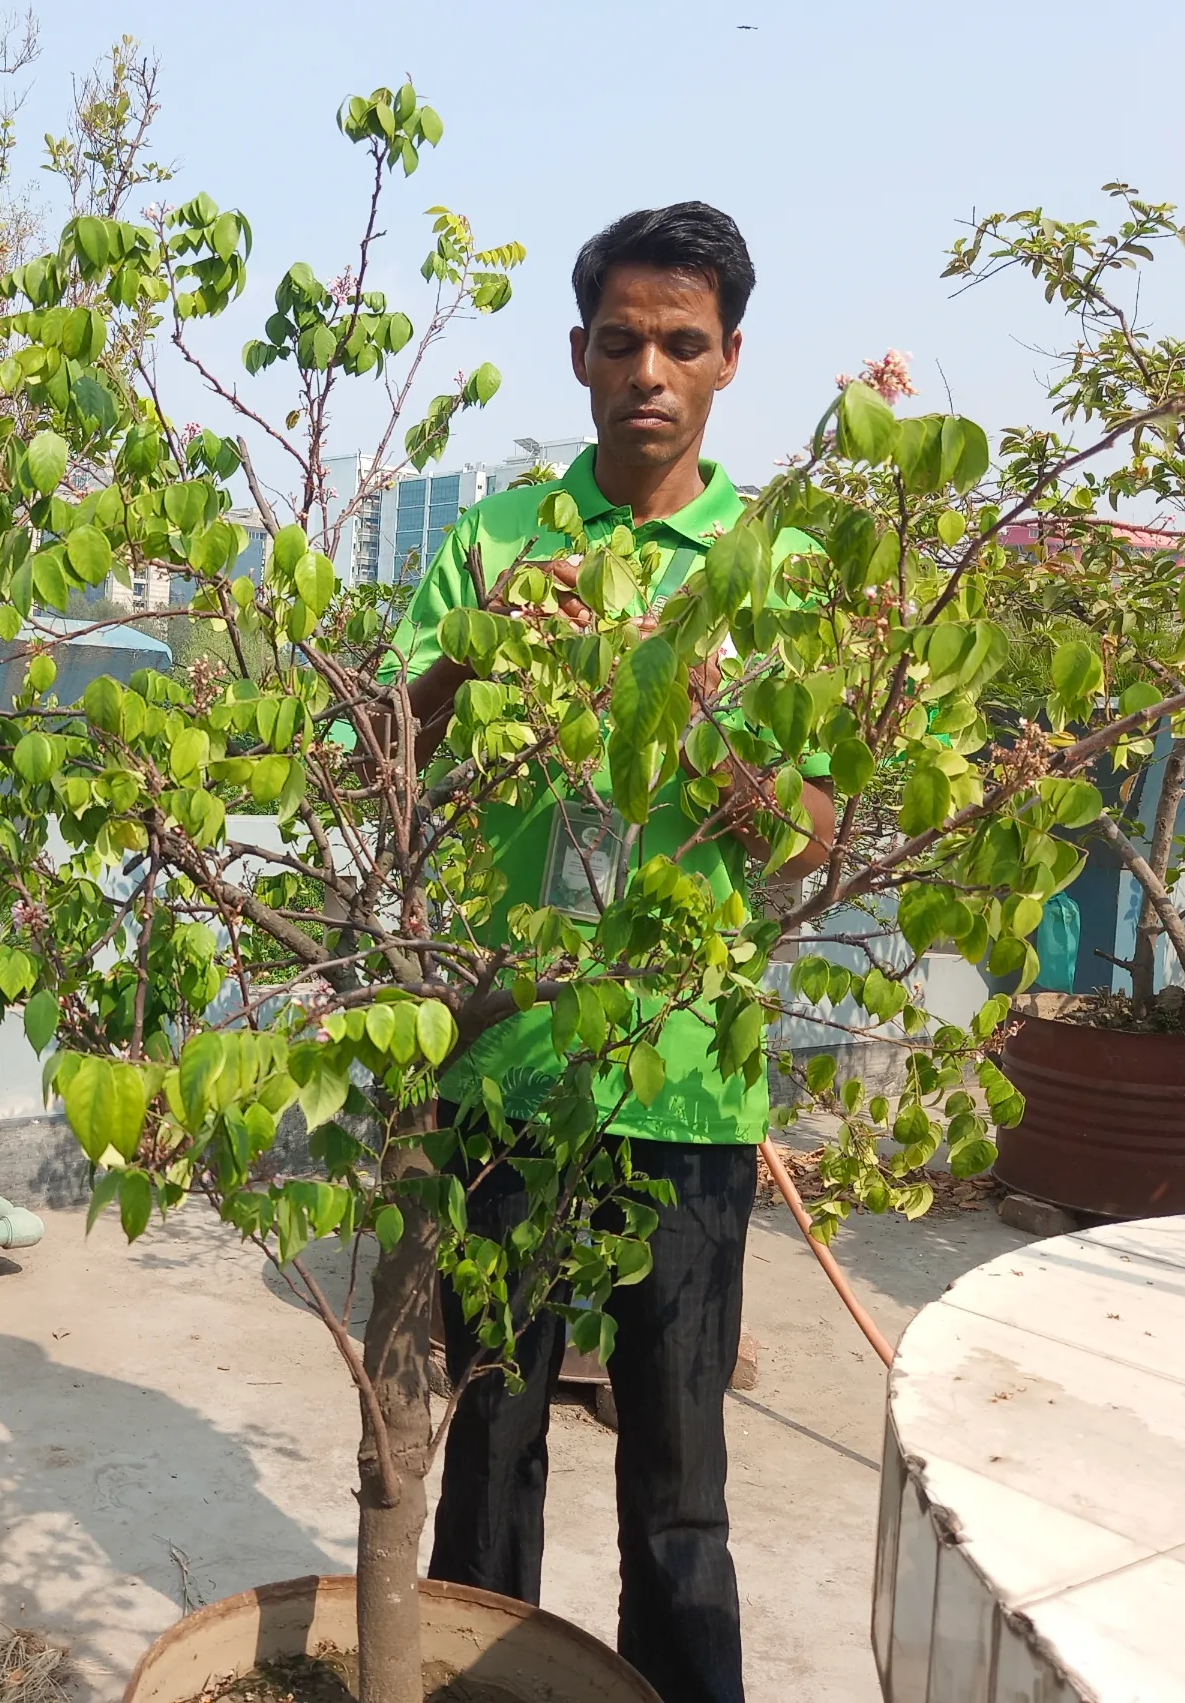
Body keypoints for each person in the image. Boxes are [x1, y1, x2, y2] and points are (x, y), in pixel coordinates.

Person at [399, 203, 836, 1703]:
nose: (649, 366)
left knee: (679, 1487)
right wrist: (486, 644)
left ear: (727, 363)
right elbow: (387, 750)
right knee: (491, 1448)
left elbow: (816, 831)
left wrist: (711, 723)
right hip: (509, 1059)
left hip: (693, 1086)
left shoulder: (775, 570)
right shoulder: (497, 536)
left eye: (681, 342)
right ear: (578, 354)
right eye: (621, 339)